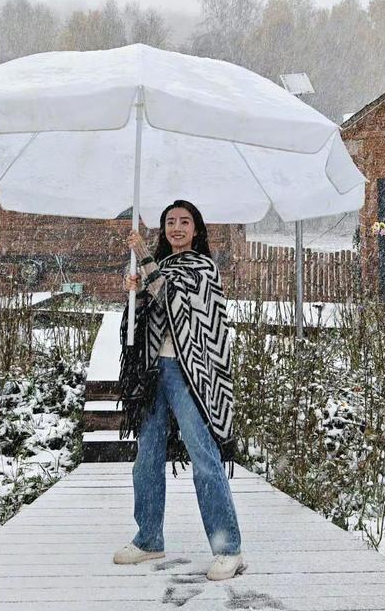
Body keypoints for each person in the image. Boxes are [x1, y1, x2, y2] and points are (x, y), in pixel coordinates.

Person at [111, 200, 244, 581]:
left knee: (203, 455)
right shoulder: (159, 268)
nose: (177, 227)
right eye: (171, 222)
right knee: (146, 456)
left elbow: (176, 301)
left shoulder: (204, 268)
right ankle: (149, 538)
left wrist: (143, 261)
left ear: (197, 229)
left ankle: (228, 548)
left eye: (185, 221)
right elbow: (140, 326)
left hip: (192, 373)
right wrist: (133, 294)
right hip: (154, 371)